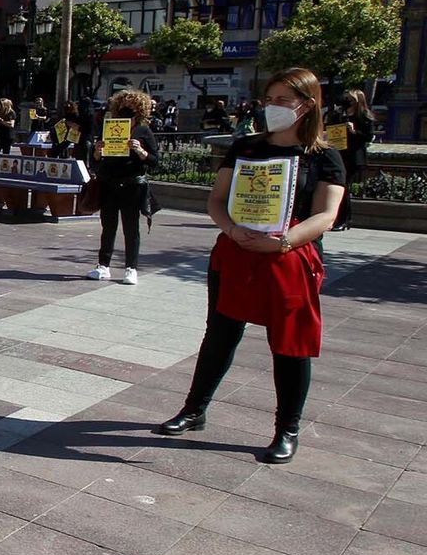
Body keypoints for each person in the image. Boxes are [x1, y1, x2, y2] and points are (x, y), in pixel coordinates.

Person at [157, 68, 344, 465]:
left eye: (282, 100)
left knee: (289, 345)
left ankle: (286, 429)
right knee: (220, 334)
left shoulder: (323, 156)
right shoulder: (246, 147)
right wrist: (229, 229)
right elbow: (217, 200)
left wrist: (285, 241)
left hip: (289, 257)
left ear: (306, 106)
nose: (272, 107)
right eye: (269, 99)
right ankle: (195, 409)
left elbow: (326, 214)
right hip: (236, 252)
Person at [85, 88, 160, 286]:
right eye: (124, 106)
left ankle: (131, 268)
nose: (128, 109)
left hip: (132, 185)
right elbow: (97, 162)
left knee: (130, 227)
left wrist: (140, 150)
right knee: (108, 226)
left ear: (140, 109)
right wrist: (97, 152)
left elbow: (154, 160)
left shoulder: (144, 131)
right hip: (109, 183)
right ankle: (103, 265)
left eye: (132, 107)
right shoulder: (109, 127)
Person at [332, 89, 374, 231]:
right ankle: (336, 218)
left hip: (353, 156)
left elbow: (368, 137)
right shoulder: (341, 114)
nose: (347, 101)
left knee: (344, 187)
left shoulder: (363, 116)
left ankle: (344, 219)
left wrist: (354, 131)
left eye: (350, 99)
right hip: (339, 153)